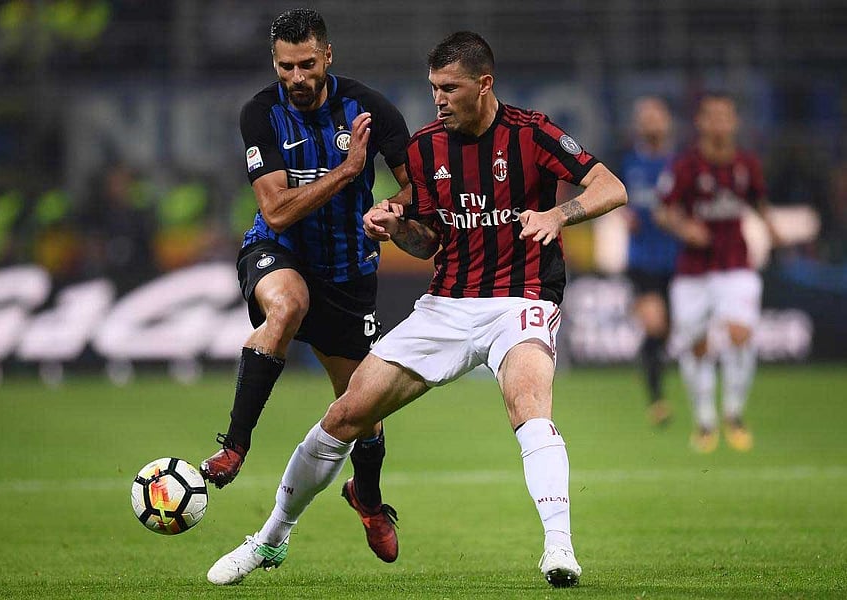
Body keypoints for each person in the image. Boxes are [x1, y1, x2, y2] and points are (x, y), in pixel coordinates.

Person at [205, 31, 627, 589]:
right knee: (345, 418)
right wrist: (396, 225)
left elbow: (610, 186)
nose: (439, 100)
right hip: (445, 306)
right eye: (433, 89)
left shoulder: (531, 133)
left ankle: (559, 548)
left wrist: (560, 215)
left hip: (519, 299)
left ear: (484, 85)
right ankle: (270, 539)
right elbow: (427, 241)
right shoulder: (428, 148)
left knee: (528, 403)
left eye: (450, 89)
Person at [199, 8, 411, 562]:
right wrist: (346, 172)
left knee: (361, 408)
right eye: (285, 66)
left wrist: (390, 207)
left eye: (306, 64)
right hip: (278, 250)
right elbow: (275, 209)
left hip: (348, 272)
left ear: (328, 57)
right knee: (286, 307)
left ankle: (366, 497)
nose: (296, 77)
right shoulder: (261, 113)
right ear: (275, 63)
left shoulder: (370, 107)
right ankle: (235, 446)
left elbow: (419, 190)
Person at [654, 92, 777, 453]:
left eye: (726, 116)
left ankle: (734, 414)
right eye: (713, 117)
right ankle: (705, 420)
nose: (720, 123)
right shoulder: (685, 166)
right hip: (692, 270)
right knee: (698, 346)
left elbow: (759, 203)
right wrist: (684, 228)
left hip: (736, 264)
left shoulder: (747, 164)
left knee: (741, 334)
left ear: (735, 122)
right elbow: (663, 211)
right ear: (701, 122)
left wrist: (774, 230)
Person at [619, 97, 679, 426]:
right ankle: (657, 402)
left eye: (657, 117)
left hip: (678, 261)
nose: (651, 123)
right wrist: (622, 214)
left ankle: (645, 360)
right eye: (645, 118)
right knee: (655, 325)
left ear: (667, 122)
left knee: (667, 333)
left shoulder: (680, 164)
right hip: (642, 260)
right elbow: (613, 197)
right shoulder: (628, 162)